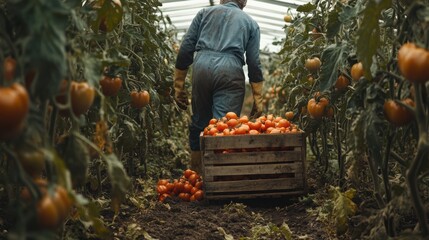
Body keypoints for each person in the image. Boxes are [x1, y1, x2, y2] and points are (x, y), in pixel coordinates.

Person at [173, 0, 264, 172]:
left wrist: (179, 86)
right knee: (224, 126)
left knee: (200, 122)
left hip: (201, 67)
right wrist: (258, 98)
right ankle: (219, 176)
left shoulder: (204, 13)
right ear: (243, 2)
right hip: (230, 70)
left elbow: (186, 48)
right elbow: (253, 62)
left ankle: (197, 175)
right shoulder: (250, 23)